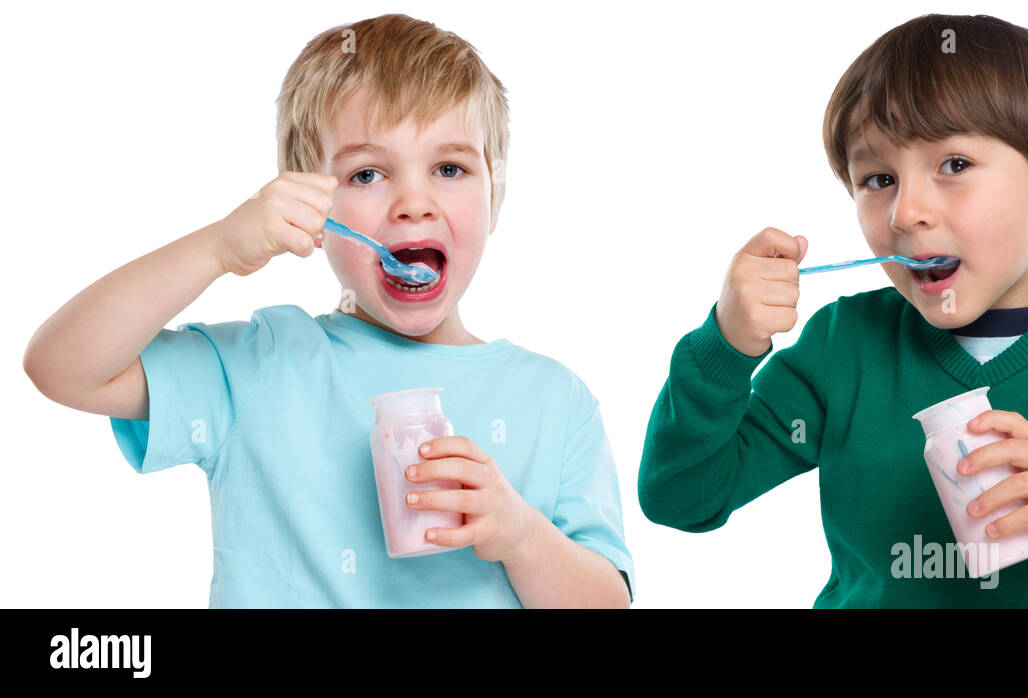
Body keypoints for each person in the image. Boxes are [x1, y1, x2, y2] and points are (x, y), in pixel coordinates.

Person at [638, 13, 1028, 608]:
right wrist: (724, 347)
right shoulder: (843, 347)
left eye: (954, 164)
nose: (904, 212)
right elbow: (682, 496)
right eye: (878, 179)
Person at [24, 13, 632, 608]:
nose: (413, 203)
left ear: (494, 197)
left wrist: (521, 536)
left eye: (450, 169)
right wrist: (215, 249)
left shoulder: (557, 402)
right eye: (367, 174)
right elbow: (63, 367)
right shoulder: (263, 363)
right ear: (307, 208)